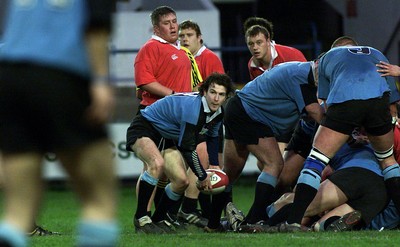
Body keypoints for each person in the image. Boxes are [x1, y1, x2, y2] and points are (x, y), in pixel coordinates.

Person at [0, 1, 119, 246]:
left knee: (17, 212)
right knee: (99, 198)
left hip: (10, 75)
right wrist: (100, 79)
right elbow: (96, 24)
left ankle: (10, 232)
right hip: (62, 74)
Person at [282, 45, 400, 232]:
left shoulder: (326, 61)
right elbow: (392, 105)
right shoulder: (376, 52)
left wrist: (349, 127)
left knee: (316, 160)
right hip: (378, 106)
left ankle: (293, 222)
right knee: (388, 160)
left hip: (346, 104)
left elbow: (327, 105)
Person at [205, 61, 325, 232]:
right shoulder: (303, 76)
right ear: (320, 64)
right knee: (274, 164)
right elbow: (317, 114)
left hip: (237, 107)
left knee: (228, 176)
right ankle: (255, 220)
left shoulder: (299, 70)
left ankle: (212, 224)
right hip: (249, 115)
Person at [126, 73, 235, 233]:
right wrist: (202, 176)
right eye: (213, 92)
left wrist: (215, 165)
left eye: (221, 94)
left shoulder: (218, 113)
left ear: (226, 97)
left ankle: (158, 219)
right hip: (144, 126)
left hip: (166, 136)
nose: (216, 98)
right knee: (156, 164)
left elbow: (213, 137)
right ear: (204, 92)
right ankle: (141, 219)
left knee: (182, 181)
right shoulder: (193, 108)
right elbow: (186, 147)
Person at [132, 5, 193, 221]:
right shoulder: (150, 48)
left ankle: (163, 217)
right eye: (167, 23)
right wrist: (175, 95)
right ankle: (145, 217)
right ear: (156, 29)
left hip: (176, 121)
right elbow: (145, 81)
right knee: (153, 167)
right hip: (154, 117)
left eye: (174, 21)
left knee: (174, 176)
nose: (173, 26)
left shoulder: (180, 50)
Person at [177, 20, 225, 226]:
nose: (184, 39)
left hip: (208, 122)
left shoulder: (209, 58)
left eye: (189, 35)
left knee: (209, 165)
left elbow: (218, 93)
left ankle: (200, 212)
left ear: (199, 38)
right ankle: (195, 211)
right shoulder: (181, 58)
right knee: (199, 166)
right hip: (190, 121)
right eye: (181, 36)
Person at [244, 21, 307, 155]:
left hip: (301, 114)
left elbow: (308, 86)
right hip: (279, 118)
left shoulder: (291, 56)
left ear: (268, 41)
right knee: (272, 162)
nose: (255, 47)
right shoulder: (252, 66)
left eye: (259, 42)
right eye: (251, 44)